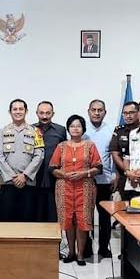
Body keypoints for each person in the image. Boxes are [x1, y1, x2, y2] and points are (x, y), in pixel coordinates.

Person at [50, 115, 102, 266]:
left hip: (84, 187)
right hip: (64, 187)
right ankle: (71, 252)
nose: (75, 129)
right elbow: (53, 168)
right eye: (72, 126)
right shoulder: (61, 146)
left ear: (83, 129)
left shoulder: (90, 146)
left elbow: (98, 167)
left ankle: (80, 254)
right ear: (68, 128)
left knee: (82, 220)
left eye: (78, 126)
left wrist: (83, 173)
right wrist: (64, 174)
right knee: (67, 221)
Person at [0, 99, 45, 222]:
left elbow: (39, 155)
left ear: (26, 111)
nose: (18, 112)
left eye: (21, 109)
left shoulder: (35, 132)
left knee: (27, 220)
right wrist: (13, 177)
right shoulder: (2, 132)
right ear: (10, 112)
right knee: (7, 221)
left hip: (28, 184)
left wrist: (25, 175)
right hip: (8, 184)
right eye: (15, 109)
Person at [82, 100, 115, 258]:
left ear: (105, 112)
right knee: (86, 215)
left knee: (104, 216)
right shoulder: (82, 130)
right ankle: (87, 247)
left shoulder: (111, 130)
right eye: (93, 110)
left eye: (100, 110)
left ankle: (104, 247)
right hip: (85, 179)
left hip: (105, 180)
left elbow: (115, 155)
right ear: (88, 111)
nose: (96, 113)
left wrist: (115, 174)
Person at [33, 101, 67, 222]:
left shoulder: (61, 130)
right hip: (34, 179)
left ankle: (54, 240)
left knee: (53, 216)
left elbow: (65, 153)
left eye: (48, 113)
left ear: (53, 113)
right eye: (41, 113)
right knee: (35, 216)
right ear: (37, 113)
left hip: (54, 179)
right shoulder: (31, 129)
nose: (44, 116)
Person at [109, 101, 139, 195]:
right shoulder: (119, 130)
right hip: (124, 176)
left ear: (138, 113)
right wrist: (128, 172)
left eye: (131, 113)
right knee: (124, 207)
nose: (128, 116)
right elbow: (115, 154)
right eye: (125, 113)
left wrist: (136, 173)